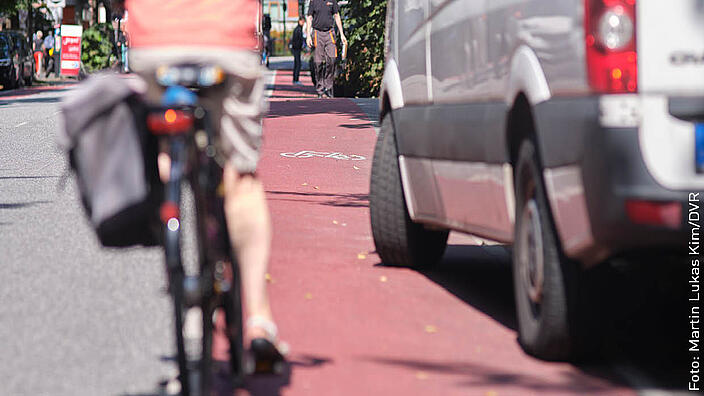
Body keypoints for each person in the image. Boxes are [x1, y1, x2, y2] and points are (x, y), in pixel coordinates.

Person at [124, 0, 284, 362]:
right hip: (226, 36)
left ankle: (170, 203)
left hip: (155, 38)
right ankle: (258, 320)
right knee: (241, 177)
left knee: (165, 151)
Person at [306, 0, 347, 98]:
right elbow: (309, 18)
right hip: (317, 33)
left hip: (330, 33)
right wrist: (308, 35)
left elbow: (337, 16)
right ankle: (320, 89)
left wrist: (342, 34)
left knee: (332, 59)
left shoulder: (332, 1)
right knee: (318, 63)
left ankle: (328, 87)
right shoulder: (313, 2)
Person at [289, 17, 305, 85]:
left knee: (297, 64)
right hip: (296, 49)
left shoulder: (298, 29)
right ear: (299, 21)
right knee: (298, 64)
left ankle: (295, 79)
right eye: (302, 21)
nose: (303, 23)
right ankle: (296, 79)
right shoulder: (298, 29)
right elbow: (298, 40)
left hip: (296, 48)